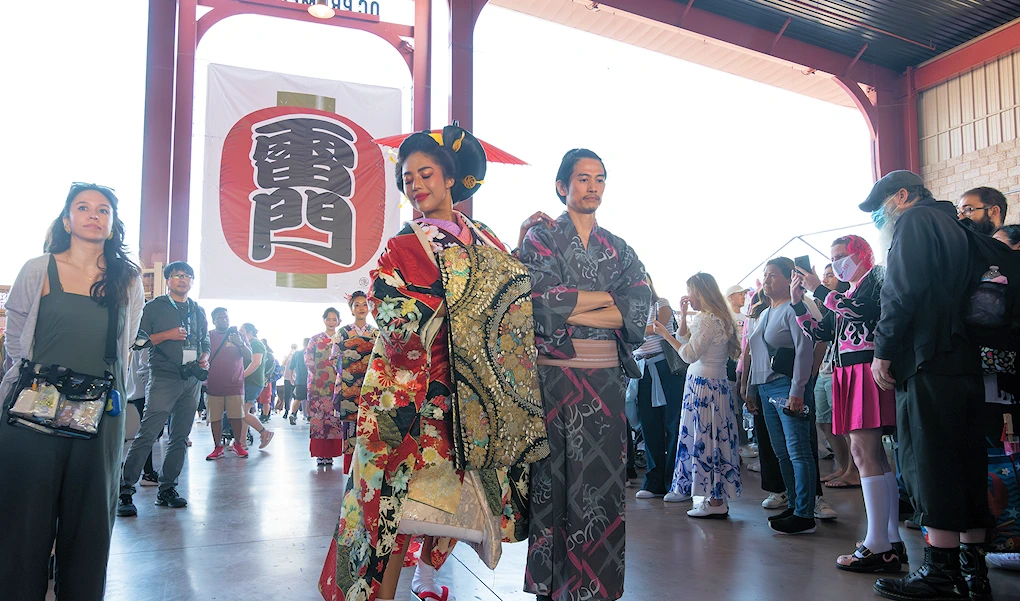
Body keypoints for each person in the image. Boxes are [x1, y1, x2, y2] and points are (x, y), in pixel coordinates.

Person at [319, 125, 532, 601]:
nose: (415, 185)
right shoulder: (402, 245)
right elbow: (390, 306)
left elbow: (510, 300)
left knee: (450, 502)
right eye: (408, 177)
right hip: (415, 394)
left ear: (451, 178)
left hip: (469, 401)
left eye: (426, 173)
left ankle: (428, 575)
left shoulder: (487, 238)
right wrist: (452, 305)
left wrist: (517, 251)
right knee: (392, 508)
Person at [0, 182, 144, 599]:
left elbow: (125, 344)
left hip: (100, 413)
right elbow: (16, 341)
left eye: (103, 210)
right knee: (23, 519)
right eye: (83, 207)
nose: (93, 214)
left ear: (114, 225)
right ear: (67, 220)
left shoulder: (128, 279)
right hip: (32, 409)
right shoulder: (38, 268)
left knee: (90, 522)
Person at [520, 148, 651, 601]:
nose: (591, 186)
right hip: (555, 383)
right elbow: (538, 301)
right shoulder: (540, 237)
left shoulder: (620, 247)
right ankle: (551, 588)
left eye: (599, 179)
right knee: (554, 483)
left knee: (603, 485)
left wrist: (576, 302)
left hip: (606, 385)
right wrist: (604, 300)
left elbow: (639, 308)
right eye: (582, 179)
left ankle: (597, 587)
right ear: (562, 186)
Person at [862, 170, 994, 601]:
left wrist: (883, 349)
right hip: (963, 358)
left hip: (927, 356)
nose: (880, 217)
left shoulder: (915, 222)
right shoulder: (958, 227)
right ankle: (975, 570)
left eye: (881, 206)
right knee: (966, 463)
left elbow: (902, 291)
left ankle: (940, 571)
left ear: (902, 196)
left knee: (930, 460)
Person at [791, 236, 902, 571]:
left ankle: (879, 543)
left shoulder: (875, 282)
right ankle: (888, 538)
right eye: (833, 257)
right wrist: (799, 303)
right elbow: (822, 331)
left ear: (861, 254)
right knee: (872, 456)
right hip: (848, 371)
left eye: (842, 256)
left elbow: (864, 314)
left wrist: (820, 291)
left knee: (865, 452)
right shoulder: (849, 292)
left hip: (862, 369)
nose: (837, 263)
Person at [118, 261, 210, 516]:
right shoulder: (154, 308)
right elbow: (136, 341)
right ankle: (125, 491)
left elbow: (204, 340)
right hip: (163, 377)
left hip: (190, 379)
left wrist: (204, 356)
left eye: (188, 276)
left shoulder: (197, 310)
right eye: (178, 275)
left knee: (179, 436)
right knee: (147, 434)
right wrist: (166, 335)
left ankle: (167, 488)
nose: (183, 280)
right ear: (168, 280)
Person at [656, 272, 742, 518]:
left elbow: (688, 354)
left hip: (704, 386)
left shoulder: (707, 320)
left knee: (707, 438)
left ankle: (715, 501)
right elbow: (685, 339)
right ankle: (715, 497)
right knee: (715, 438)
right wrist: (681, 316)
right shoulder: (716, 318)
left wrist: (665, 335)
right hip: (714, 384)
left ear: (701, 293)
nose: (688, 296)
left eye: (691, 291)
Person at [747, 257, 821, 535]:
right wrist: (752, 388)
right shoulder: (765, 313)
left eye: (774, 275)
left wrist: (798, 390)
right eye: (765, 275)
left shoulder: (793, 309)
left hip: (787, 386)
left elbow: (804, 349)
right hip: (766, 388)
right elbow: (756, 355)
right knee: (782, 453)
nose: (767, 280)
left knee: (798, 451)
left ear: (790, 278)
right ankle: (795, 504)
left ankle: (805, 512)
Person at [631, 278, 684, 500]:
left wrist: (629, 328)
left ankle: (675, 482)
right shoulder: (628, 309)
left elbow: (657, 328)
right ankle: (654, 482)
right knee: (649, 426)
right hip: (642, 370)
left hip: (667, 369)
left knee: (673, 425)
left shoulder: (661, 303)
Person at [813, 263, 857, 487]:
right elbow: (821, 336)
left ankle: (853, 470)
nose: (826, 279)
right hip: (825, 369)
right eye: (824, 276)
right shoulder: (825, 305)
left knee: (848, 424)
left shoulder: (847, 301)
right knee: (825, 422)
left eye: (830, 275)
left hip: (841, 369)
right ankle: (842, 467)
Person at [329, 291, 378, 473]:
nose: (361, 308)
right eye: (356, 305)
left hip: (369, 384)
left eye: (364, 304)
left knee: (369, 423)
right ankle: (351, 469)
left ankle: (368, 467)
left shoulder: (375, 333)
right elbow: (334, 358)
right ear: (351, 310)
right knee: (350, 425)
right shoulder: (343, 333)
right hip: (349, 384)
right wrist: (350, 367)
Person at [204, 307, 252, 459]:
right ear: (213, 320)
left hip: (235, 384)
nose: (223, 320)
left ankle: (238, 444)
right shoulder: (208, 336)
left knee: (237, 416)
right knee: (215, 418)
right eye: (219, 317)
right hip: (213, 384)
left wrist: (240, 344)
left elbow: (248, 356)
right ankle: (218, 447)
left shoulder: (239, 336)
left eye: (225, 317)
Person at [305, 308, 345, 466]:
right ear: (324, 320)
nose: (331, 322)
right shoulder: (315, 339)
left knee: (334, 421)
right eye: (328, 319)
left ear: (338, 321)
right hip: (318, 386)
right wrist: (315, 376)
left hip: (336, 385)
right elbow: (308, 359)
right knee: (319, 421)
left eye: (334, 319)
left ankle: (331, 454)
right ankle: (320, 454)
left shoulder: (341, 339)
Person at [239, 323, 274, 453]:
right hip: (250, 382)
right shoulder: (250, 344)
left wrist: (241, 376)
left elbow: (256, 362)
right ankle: (242, 442)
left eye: (242, 331)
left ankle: (264, 433)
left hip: (252, 382)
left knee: (242, 412)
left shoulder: (255, 343)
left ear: (250, 332)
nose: (240, 333)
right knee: (243, 412)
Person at [289, 337, 310, 425]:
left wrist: (291, 378)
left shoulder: (297, 354)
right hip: (310, 379)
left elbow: (291, 367)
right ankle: (309, 417)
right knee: (309, 399)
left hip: (299, 379)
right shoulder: (311, 353)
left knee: (298, 398)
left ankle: (293, 414)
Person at [280, 342, 298, 418]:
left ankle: (295, 412)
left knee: (296, 396)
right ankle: (286, 411)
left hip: (295, 378)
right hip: (287, 378)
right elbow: (283, 364)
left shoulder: (297, 355)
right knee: (287, 396)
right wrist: (289, 355)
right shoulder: (287, 356)